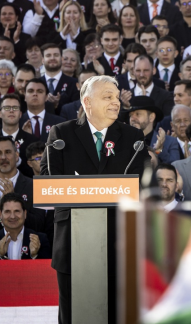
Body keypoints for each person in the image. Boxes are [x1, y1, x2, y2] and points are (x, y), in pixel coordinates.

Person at [42, 75, 150, 324]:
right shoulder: (62, 133)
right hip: (73, 242)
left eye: (117, 97)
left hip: (119, 242)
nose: (116, 103)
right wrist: (88, 188)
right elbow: (48, 183)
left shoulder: (133, 138)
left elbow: (144, 186)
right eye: (108, 97)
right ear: (87, 101)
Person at [0, 192, 50, 260]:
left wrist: (34, 256)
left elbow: (49, 271)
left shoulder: (41, 240)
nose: (12, 216)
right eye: (7, 212)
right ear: (0, 215)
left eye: (17, 211)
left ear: (25, 214)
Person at [0, 94, 38, 176]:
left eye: (15, 108)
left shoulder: (33, 141)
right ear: (0, 114)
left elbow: (35, 171)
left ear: (20, 114)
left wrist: (18, 161)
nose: (11, 111)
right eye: (7, 108)